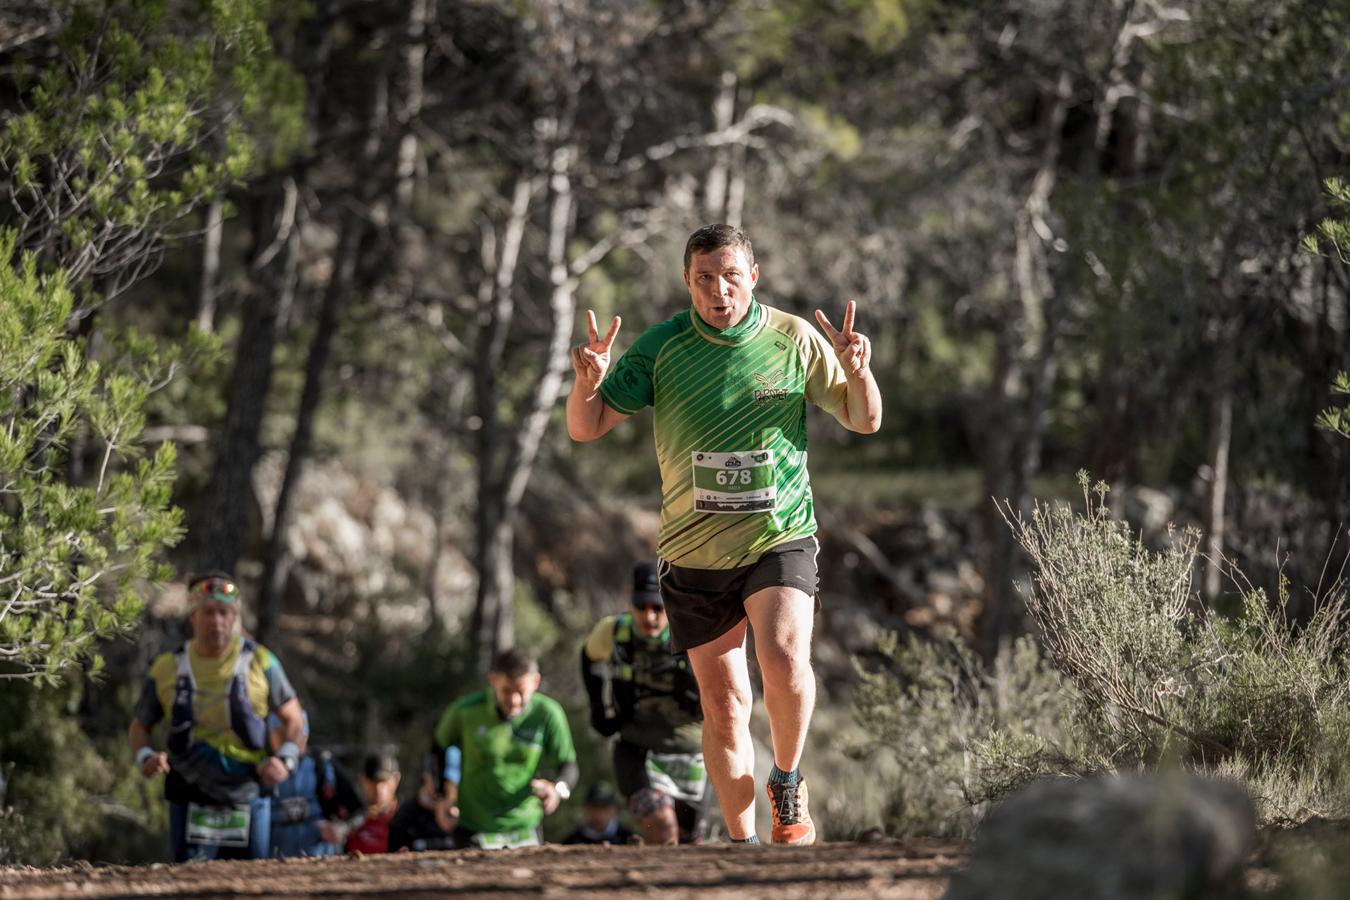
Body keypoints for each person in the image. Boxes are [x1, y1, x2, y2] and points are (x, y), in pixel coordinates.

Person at [566, 224, 883, 845]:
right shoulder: (662, 347)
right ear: (687, 281)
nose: (719, 291)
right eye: (705, 279)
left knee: (786, 656)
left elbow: (863, 419)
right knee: (725, 702)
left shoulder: (793, 338)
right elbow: (587, 427)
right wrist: (588, 381)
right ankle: (740, 847)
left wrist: (858, 370)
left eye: (731, 277)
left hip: (779, 534)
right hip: (693, 552)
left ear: (753, 277)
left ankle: (787, 783)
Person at [128, 572, 308, 861]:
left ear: (234, 616)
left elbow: (295, 719)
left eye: (224, 612)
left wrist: (285, 760)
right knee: (189, 884)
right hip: (189, 791)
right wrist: (145, 756)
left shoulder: (261, 661)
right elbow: (140, 726)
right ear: (193, 616)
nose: (217, 621)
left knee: (251, 886)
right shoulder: (166, 667)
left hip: (248, 791)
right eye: (208, 612)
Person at [581, 561, 707, 845]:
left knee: (688, 841)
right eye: (641, 607)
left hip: (693, 755)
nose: (649, 617)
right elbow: (588, 658)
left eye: (658, 608)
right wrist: (598, 708)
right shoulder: (614, 632)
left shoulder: (693, 632)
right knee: (662, 829)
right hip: (637, 750)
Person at [431, 648, 578, 849]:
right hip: (474, 826)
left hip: (525, 825)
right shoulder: (466, 710)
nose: (514, 700)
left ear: (535, 682)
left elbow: (568, 765)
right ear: (492, 680)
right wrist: (442, 797)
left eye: (521, 691)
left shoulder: (548, 713)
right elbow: (437, 750)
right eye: (507, 691)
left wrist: (557, 789)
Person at [267, 711, 362, 858]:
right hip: (269, 865)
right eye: (278, 733)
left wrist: (340, 829)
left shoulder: (323, 765)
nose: (286, 742)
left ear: (305, 735)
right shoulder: (261, 769)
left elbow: (358, 812)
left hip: (319, 863)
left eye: (292, 734)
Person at [345, 751, 401, 854]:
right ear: (362, 779)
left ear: (396, 779)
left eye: (384, 781)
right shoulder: (350, 819)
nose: (378, 788)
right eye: (372, 781)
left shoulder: (406, 821)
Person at [562, 782, 637, 845]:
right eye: (595, 806)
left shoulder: (628, 838)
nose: (599, 812)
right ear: (586, 808)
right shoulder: (572, 841)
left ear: (615, 809)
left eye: (604, 807)